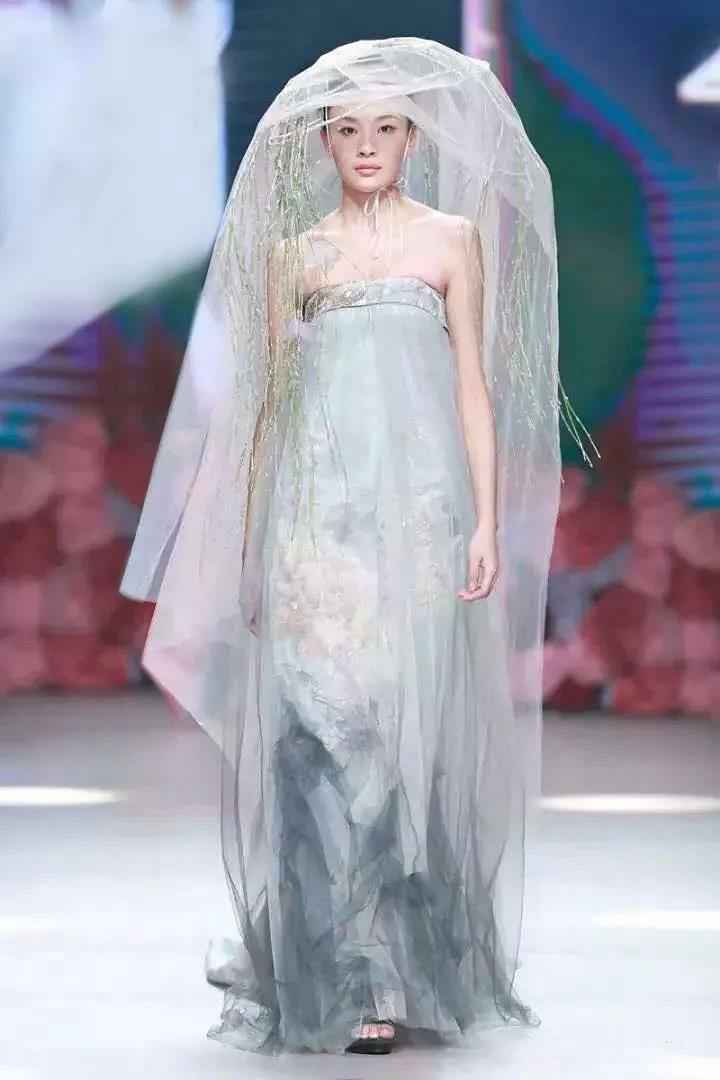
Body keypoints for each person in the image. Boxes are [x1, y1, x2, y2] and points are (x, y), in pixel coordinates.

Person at [120, 37, 598, 1056]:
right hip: (314, 523)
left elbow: (473, 388)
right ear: (326, 144)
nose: (369, 145)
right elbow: (263, 408)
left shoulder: (451, 241)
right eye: (349, 129)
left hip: (417, 519)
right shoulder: (295, 258)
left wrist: (484, 519)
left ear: (412, 140)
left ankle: (387, 970)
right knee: (315, 733)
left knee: (399, 741)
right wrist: (249, 541)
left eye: (386, 127)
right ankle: (329, 967)